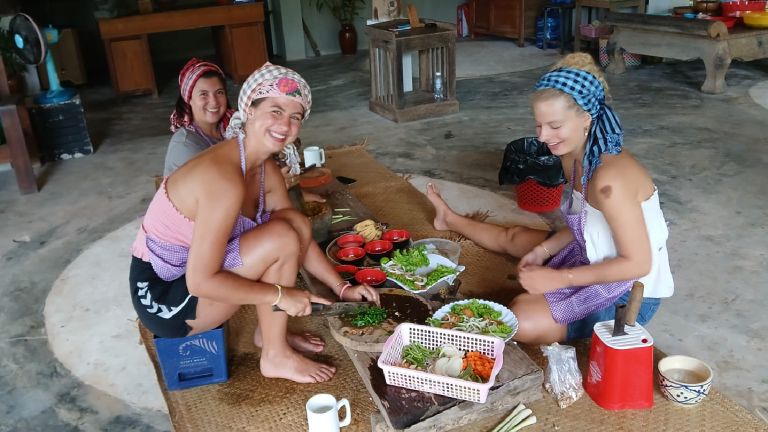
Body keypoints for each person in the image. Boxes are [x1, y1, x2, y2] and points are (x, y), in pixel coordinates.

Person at [130, 62, 380, 383]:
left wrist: (341, 288)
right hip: (165, 299)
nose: (285, 125)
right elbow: (200, 283)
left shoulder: (265, 169)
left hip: (190, 280)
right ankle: (274, 356)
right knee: (279, 238)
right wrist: (280, 296)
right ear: (248, 110)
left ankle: (269, 335)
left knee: (293, 223)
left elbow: (299, 235)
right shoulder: (223, 178)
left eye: (295, 116)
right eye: (275, 111)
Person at [426, 53, 673, 344]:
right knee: (515, 236)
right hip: (592, 252)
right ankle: (449, 218)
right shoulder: (573, 157)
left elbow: (638, 264)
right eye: (538, 125)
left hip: (627, 289)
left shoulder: (610, 181)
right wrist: (543, 251)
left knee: (521, 317)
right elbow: (587, 223)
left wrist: (560, 279)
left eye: (555, 126)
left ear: (586, 118)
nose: (543, 137)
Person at [164, 58, 234, 177]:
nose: (214, 102)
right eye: (203, 94)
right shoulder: (185, 145)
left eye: (219, 92)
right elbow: (217, 188)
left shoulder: (232, 127)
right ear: (188, 99)